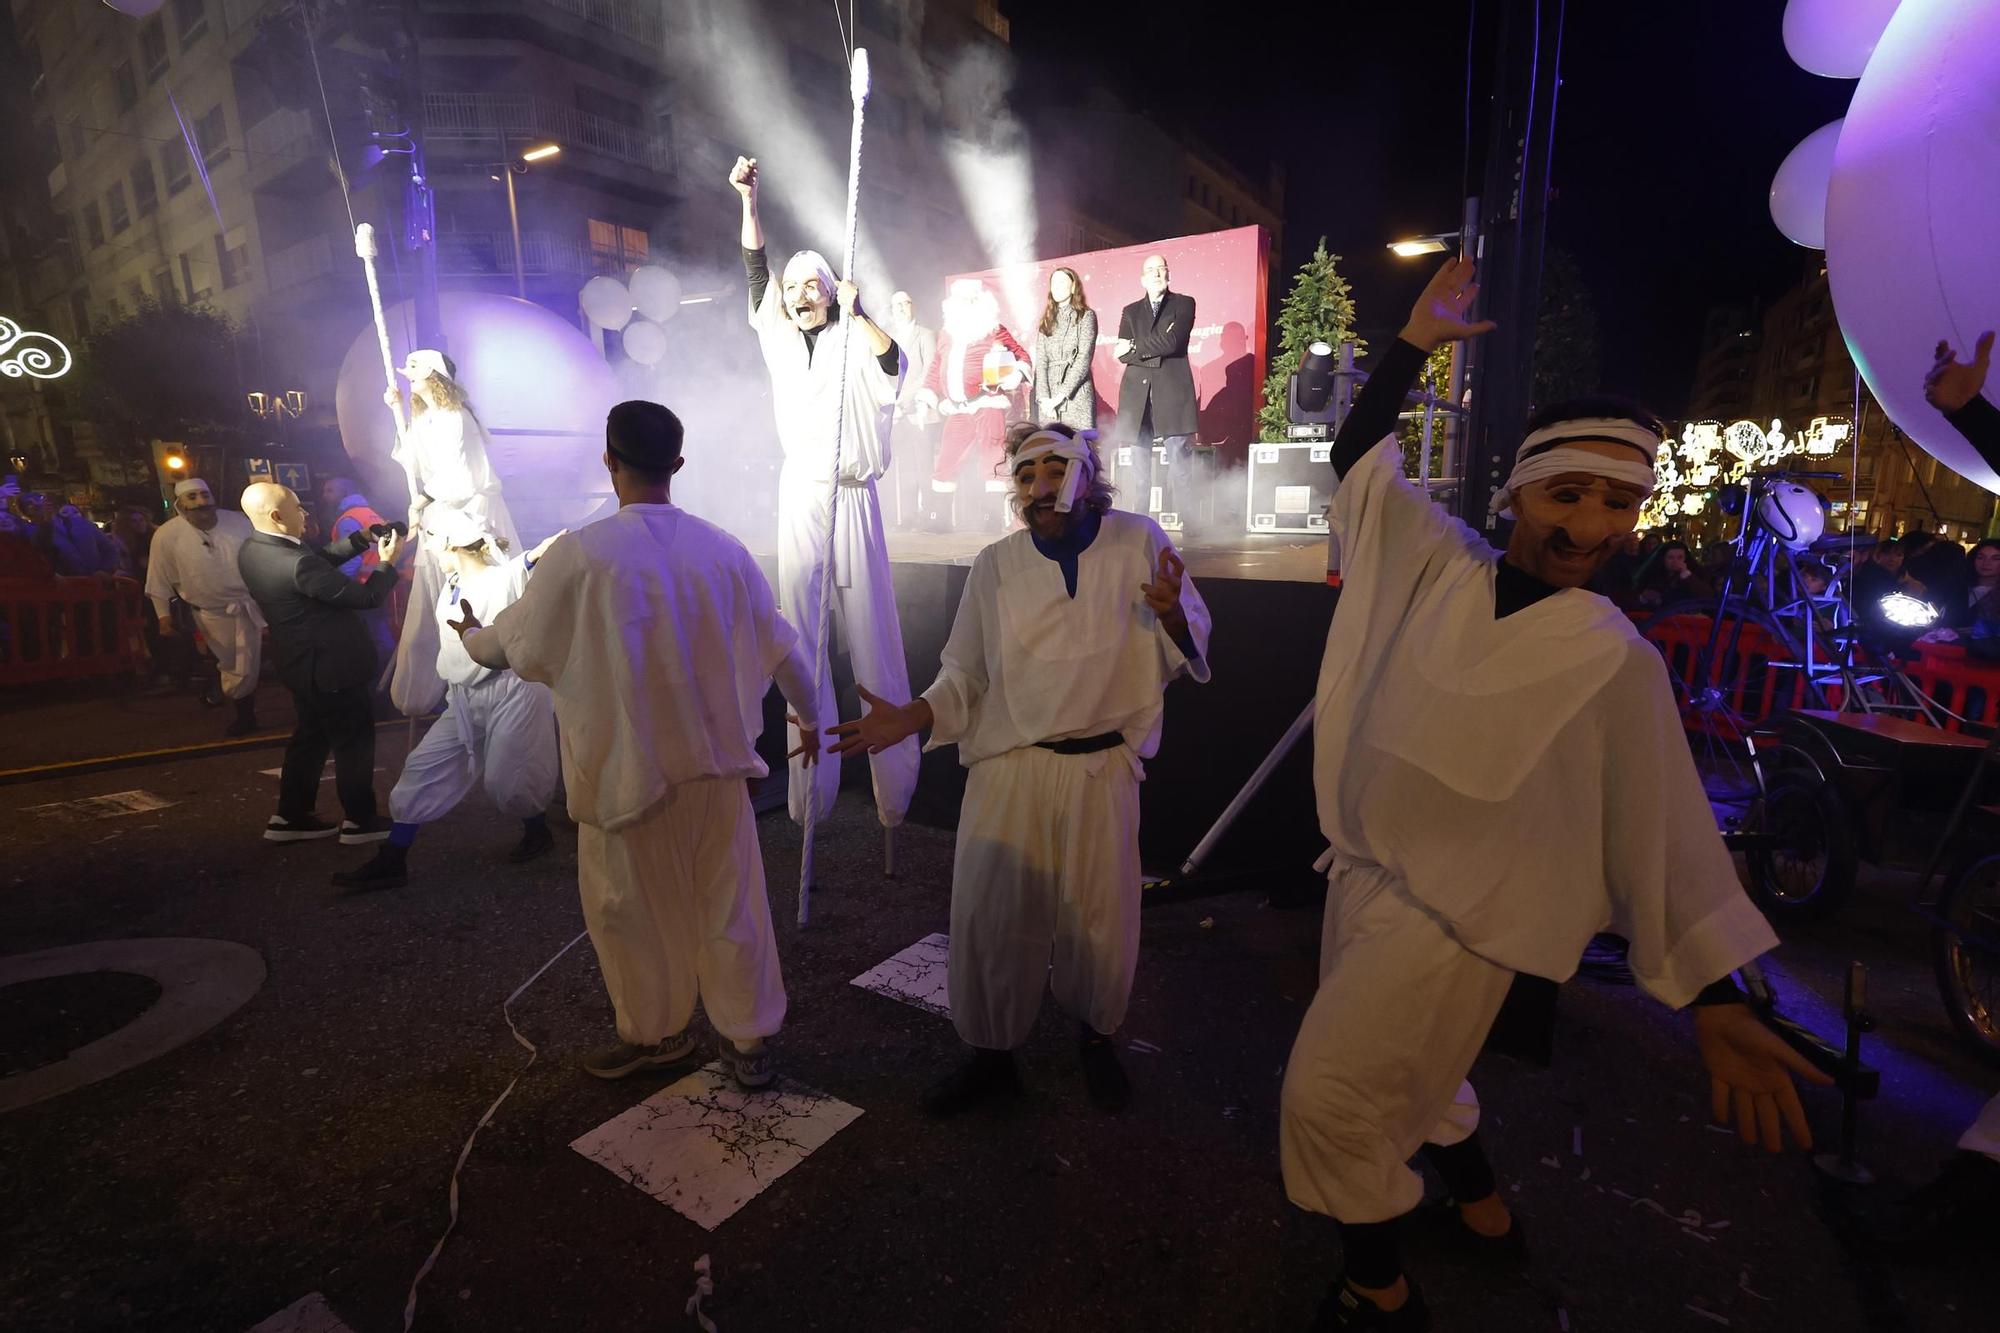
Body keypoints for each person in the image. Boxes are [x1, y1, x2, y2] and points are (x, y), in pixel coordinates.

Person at [1282, 259, 1829, 1331]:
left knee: (1334, 1098)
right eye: (1567, 492)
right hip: (1366, 874)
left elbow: (1656, 825)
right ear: (1519, 491)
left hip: (1456, 922)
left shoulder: (1611, 655)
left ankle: (1376, 1291)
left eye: (1617, 500)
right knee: (1423, 1083)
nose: (1590, 521)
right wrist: (1409, 348)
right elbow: (1357, 462)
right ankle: (1485, 1217)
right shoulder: (1441, 561)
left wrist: (1714, 999)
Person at [828, 420, 1211, 1115]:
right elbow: (964, 673)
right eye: (1027, 475)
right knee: (993, 915)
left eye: (1056, 471)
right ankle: (992, 1056)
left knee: (1101, 917)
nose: (1040, 487)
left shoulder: (1137, 541)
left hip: (1100, 771)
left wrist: (1175, 619)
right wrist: (914, 716)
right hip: (1009, 770)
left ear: (1087, 474)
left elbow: (1189, 634)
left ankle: (1096, 1039)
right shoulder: (996, 564)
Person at [449, 401, 823, 1088]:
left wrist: (470, 633)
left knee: (634, 918)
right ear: (677, 464)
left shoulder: (581, 554)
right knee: (732, 909)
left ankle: (657, 1037)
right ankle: (748, 1044)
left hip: (625, 782)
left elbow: (512, 646)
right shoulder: (724, 549)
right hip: (718, 778)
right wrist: (813, 720)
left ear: (609, 460)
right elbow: (783, 648)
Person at [730, 154, 920, 831]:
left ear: (831, 291)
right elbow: (757, 269)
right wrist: (751, 202)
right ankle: (810, 798)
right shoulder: (780, 338)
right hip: (804, 494)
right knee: (801, 640)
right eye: (792, 291)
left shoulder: (853, 337)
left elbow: (895, 364)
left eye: (809, 287)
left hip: (854, 495)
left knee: (873, 634)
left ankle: (894, 795)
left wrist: (860, 308)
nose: (796, 296)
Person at [333, 511, 563, 890]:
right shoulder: (453, 581)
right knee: (422, 768)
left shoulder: (499, 577)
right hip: (463, 697)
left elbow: (518, 569)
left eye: (432, 541)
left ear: (450, 544)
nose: (428, 551)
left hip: (512, 690)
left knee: (509, 783)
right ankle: (393, 859)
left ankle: (537, 829)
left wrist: (539, 552)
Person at [238, 481, 403, 845]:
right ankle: (360, 821)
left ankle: (290, 816)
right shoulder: (295, 564)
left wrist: (360, 539)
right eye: (298, 507)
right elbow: (366, 596)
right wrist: (388, 562)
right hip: (333, 667)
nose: (306, 513)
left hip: (301, 665)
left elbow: (316, 564)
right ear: (278, 516)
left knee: (310, 739)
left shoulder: (254, 549)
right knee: (353, 743)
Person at [383, 349, 519, 717]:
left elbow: (458, 476)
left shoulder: (455, 417)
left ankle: (491, 680)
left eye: (414, 373)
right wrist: (397, 416)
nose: (408, 379)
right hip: (443, 515)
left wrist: (422, 500)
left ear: (435, 376)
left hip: (470, 517)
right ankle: (442, 686)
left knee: (480, 599)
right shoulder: (427, 418)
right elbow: (414, 462)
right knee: (440, 600)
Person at [146, 479, 266, 736]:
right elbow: (159, 578)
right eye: (193, 499)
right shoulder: (167, 535)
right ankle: (225, 694)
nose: (202, 505)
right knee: (233, 661)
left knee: (249, 661)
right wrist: (163, 616)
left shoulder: (240, 524)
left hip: (252, 604)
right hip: (211, 613)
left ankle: (243, 713)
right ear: (181, 506)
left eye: (205, 497)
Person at [921, 278, 1031, 530]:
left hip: (988, 403)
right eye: (962, 300)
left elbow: (1022, 355)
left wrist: (1015, 374)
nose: (966, 304)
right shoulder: (947, 333)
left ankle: (991, 518)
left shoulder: (993, 329)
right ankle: (940, 519)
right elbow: (937, 365)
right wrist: (926, 394)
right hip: (958, 408)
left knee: (993, 459)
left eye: (971, 300)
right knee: (947, 459)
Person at [1113, 254, 1198, 520]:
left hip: (1172, 394)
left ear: (1168, 273)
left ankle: (1190, 525)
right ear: (1142, 278)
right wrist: (1153, 345)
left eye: (1161, 268)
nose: (1157, 274)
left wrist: (1137, 346)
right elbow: (1121, 353)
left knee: (1180, 467)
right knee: (1139, 472)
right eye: (1151, 270)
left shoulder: (1183, 303)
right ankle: (1140, 522)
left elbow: (1174, 342)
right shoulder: (1130, 311)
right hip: (1137, 396)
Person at [886, 289, 940, 530]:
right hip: (897, 415)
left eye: (904, 303)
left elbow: (929, 371)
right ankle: (907, 517)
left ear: (912, 306)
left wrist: (903, 400)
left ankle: (929, 513)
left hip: (920, 410)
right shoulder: (887, 337)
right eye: (895, 305)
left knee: (924, 464)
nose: (900, 308)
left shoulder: (925, 334)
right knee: (905, 465)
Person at [1032, 266, 1099, 433]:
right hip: (1048, 404)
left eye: (1062, 282)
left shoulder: (1086, 316)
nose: (1056, 286)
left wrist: (1059, 397)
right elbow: (1041, 363)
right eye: (1053, 282)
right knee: (1051, 454)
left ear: (1073, 286)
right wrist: (1044, 400)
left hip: (1076, 398)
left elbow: (1083, 359)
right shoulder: (1046, 322)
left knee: (1078, 452)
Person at [1633, 539, 1713, 607]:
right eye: (1670, 557)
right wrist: (1643, 597)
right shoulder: (1651, 574)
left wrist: (1686, 575)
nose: (1675, 561)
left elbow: (1707, 597)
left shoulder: (1695, 574)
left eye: (1680, 557)